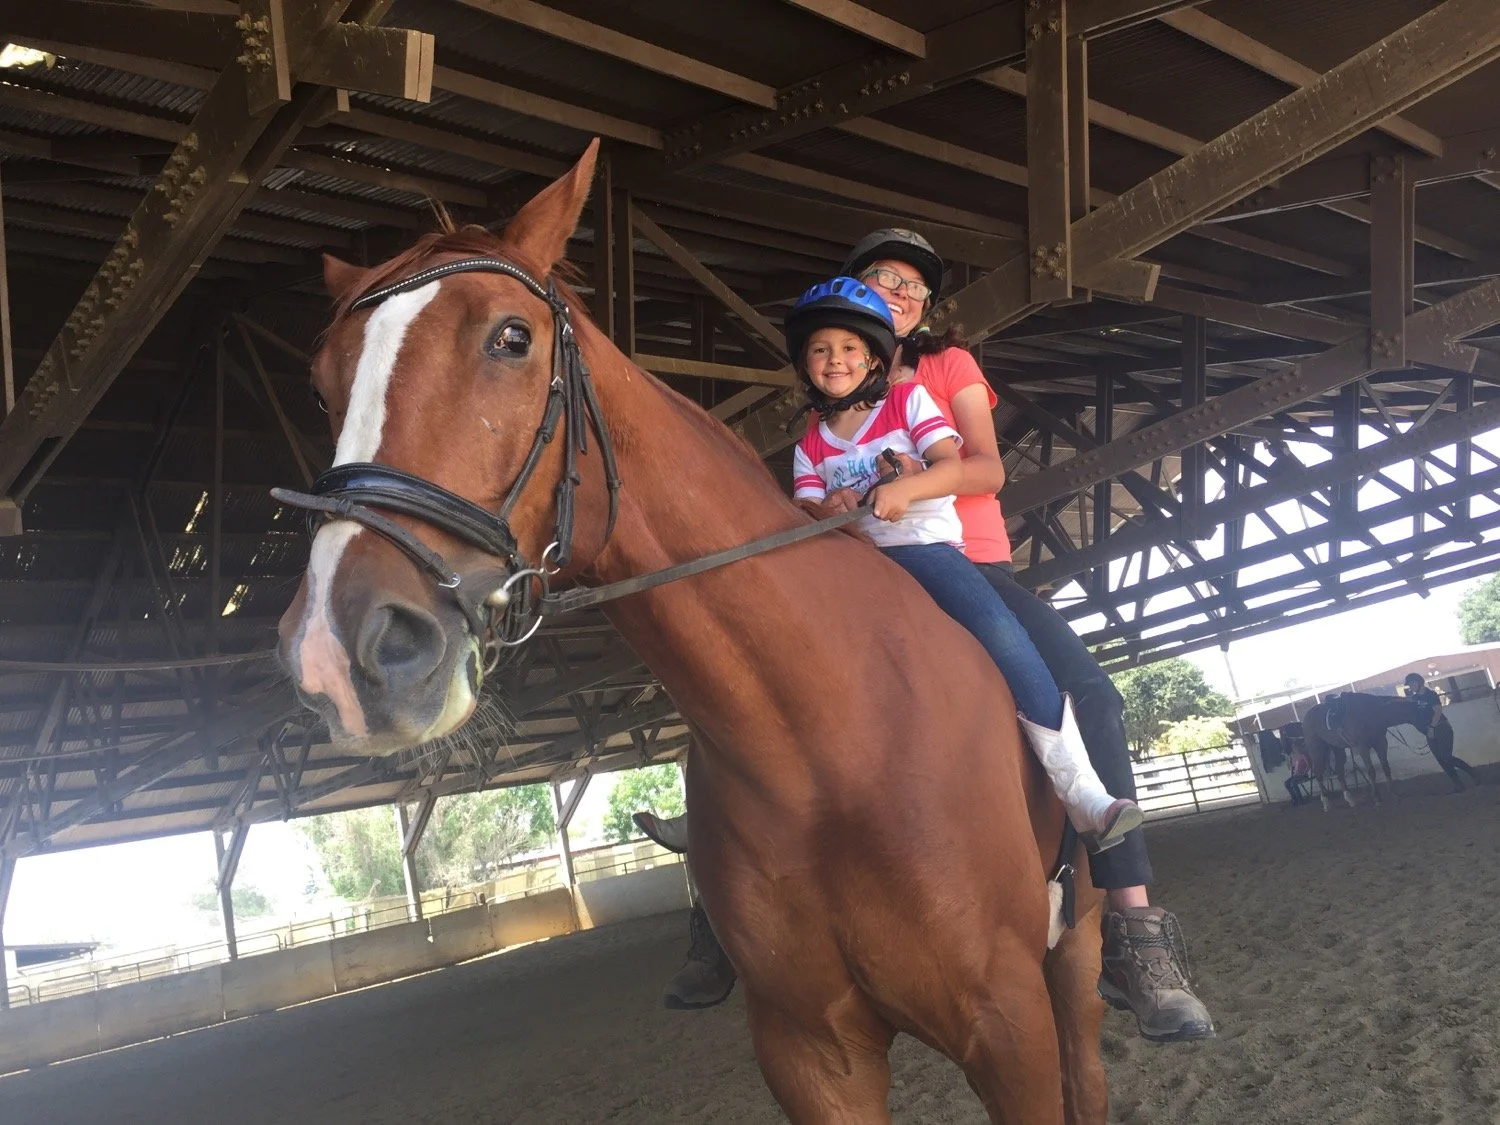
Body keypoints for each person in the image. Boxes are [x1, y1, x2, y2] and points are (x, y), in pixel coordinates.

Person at [647, 232, 1215, 1044]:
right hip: (858, 573)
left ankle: (1134, 930)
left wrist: (901, 490)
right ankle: (717, 896)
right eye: (883, 277)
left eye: (913, 285)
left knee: (1093, 693)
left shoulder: (940, 377)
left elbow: (981, 469)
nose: (900, 291)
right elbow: (809, 506)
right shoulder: (819, 425)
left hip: (963, 560)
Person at [1404, 672, 1481, 792]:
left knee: (1446, 757)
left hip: (1441, 728)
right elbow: (1408, 704)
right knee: (1441, 759)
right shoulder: (1415, 698)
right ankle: (1458, 783)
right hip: (1430, 731)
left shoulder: (1431, 695)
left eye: (1411, 684)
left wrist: (1432, 728)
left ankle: (1472, 772)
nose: (1410, 687)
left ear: (1418, 682)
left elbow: (1438, 711)